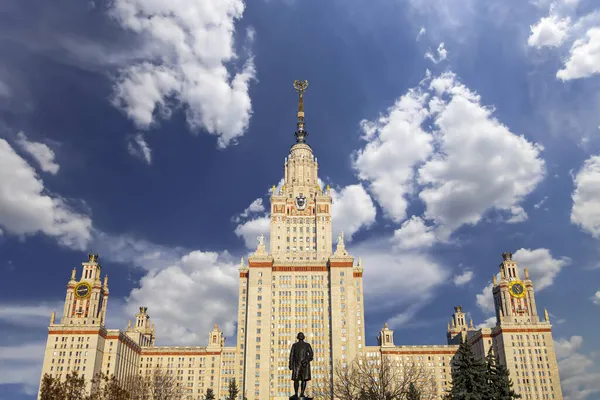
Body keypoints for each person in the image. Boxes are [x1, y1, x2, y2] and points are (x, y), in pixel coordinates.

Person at [289, 332, 314, 398]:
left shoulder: (307, 345)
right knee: (296, 379)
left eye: (302, 335)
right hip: (296, 365)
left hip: (304, 365)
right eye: (299, 335)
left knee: (304, 379)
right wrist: (290, 364)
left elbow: (311, 355)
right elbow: (291, 355)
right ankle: (296, 393)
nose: (300, 336)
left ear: (303, 337)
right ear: (297, 337)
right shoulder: (294, 345)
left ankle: (302, 393)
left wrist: (306, 360)